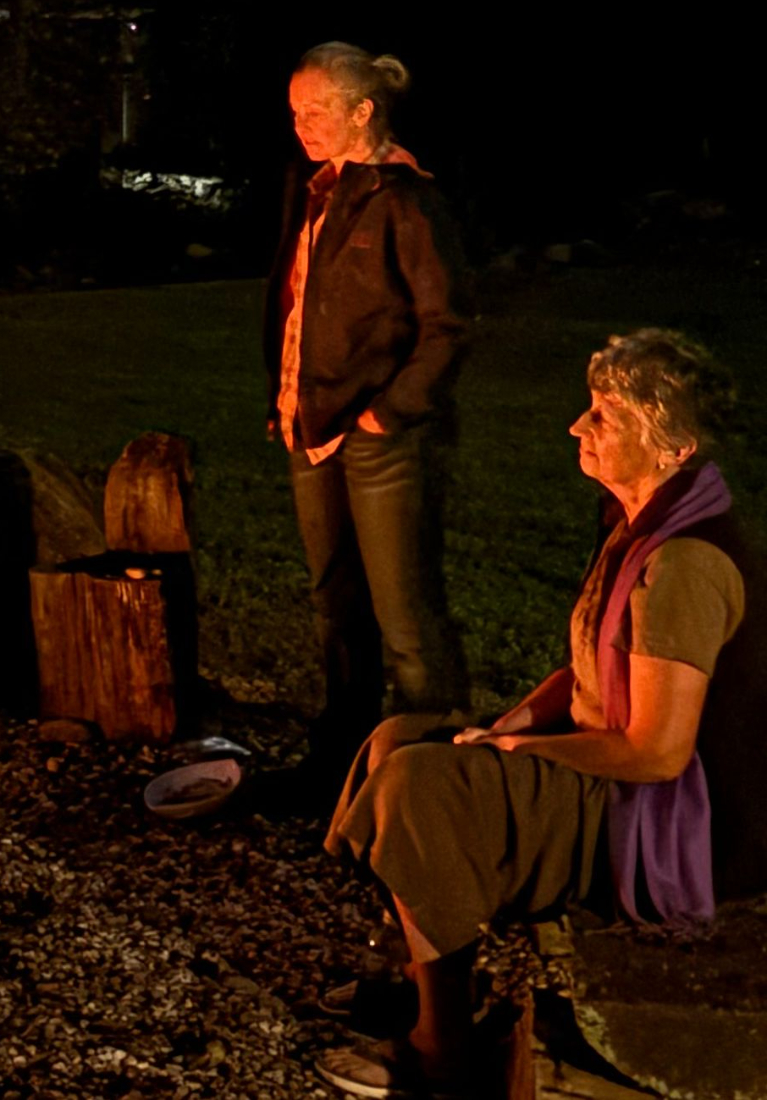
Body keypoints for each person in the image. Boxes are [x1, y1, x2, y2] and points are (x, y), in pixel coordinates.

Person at [316, 330, 760, 1095]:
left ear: (672, 446)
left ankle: (440, 1047)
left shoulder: (684, 562)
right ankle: (417, 967)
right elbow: (588, 663)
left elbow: (657, 753)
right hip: (618, 764)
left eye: (605, 416)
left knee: (424, 787)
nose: (577, 427)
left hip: (666, 817)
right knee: (399, 738)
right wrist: (514, 726)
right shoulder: (639, 524)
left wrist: (528, 758)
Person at [266, 42, 474, 800]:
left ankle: (436, 777)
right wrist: (286, 400)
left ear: (363, 110)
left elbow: (446, 325)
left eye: (316, 111)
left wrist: (390, 412)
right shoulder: (315, 190)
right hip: (309, 429)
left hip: (381, 439)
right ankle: (345, 761)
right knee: (336, 605)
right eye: (294, 112)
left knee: (405, 613)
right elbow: (297, 307)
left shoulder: (404, 200)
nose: (302, 125)